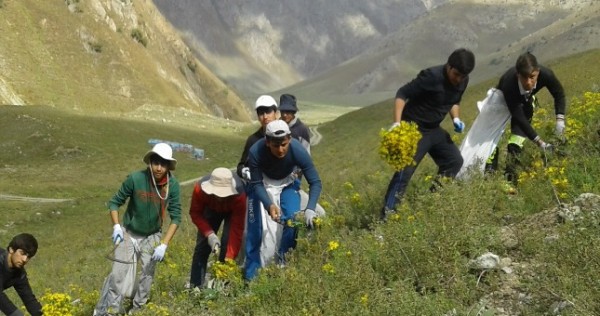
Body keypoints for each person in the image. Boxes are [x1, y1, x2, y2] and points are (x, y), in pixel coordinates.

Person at [382, 48, 476, 220]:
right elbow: (402, 94)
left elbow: (454, 101)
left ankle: (432, 204)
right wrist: (397, 124)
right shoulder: (431, 77)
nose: (459, 79)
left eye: (463, 76)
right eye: (456, 74)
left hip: (433, 129)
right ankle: (385, 220)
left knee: (454, 161)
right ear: (449, 66)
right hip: (413, 129)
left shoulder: (463, 80)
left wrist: (456, 118)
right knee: (404, 174)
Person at [94, 143, 182, 316]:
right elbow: (114, 202)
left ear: (168, 166)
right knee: (118, 274)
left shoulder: (173, 185)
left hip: (152, 235)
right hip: (128, 232)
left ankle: (138, 310)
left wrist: (164, 244)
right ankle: (110, 311)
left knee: (147, 276)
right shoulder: (135, 179)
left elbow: (176, 217)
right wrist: (117, 226)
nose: (158, 168)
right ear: (150, 162)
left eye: (163, 164)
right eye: (155, 163)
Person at [244, 120, 323, 280]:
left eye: (284, 144)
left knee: (292, 220)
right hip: (262, 185)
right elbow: (257, 183)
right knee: (256, 230)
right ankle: (251, 278)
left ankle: (283, 264)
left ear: (290, 139)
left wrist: (310, 209)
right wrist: (269, 205)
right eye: (275, 145)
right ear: (267, 142)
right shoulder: (255, 151)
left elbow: (315, 182)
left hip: (288, 183)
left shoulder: (298, 151)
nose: (280, 150)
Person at [485, 52, 566, 185]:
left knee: (516, 143)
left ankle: (510, 182)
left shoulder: (546, 74)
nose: (528, 82)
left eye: (532, 77)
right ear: (518, 74)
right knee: (491, 142)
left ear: (538, 72)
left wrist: (560, 120)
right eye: (524, 78)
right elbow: (518, 116)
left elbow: (559, 94)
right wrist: (541, 143)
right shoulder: (510, 83)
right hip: (500, 104)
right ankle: (488, 179)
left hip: (524, 102)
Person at [189, 167, 246, 289]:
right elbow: (195, 213)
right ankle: (195, 288)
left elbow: (237, 229)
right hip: (210, 208)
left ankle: (220, 286)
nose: (220, 197)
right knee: (202, 247)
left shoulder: (239, 195)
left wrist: (229, 258)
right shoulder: (200, 190)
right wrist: (209, 234)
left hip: (232, 211)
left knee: (227, 245)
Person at [236, 95, 279, 181]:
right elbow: (241, 166)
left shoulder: (285, 136)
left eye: (268, 111)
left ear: (275, 113)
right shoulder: (253, 140)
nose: (265, 116)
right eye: (261, 113)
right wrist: (245, 172)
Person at [0, 233, 42, 316]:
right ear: (11, 249)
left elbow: (29, 299)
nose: (24, 259)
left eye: (28, 256)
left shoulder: (19, 273)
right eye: (22, 253)